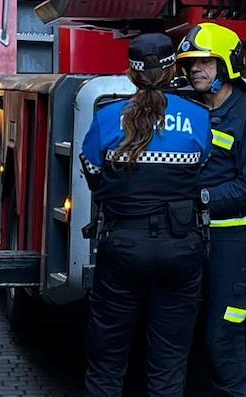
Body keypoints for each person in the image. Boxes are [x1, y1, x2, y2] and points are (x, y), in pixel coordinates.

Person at [81, 33, 212, 397]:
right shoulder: (198, 118)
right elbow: (200, 169)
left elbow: (93, 173)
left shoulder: (107, 118)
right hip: (181, 248)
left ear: (131, 73)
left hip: (122, 246)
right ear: (173, 71)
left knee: (106, 357)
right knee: (169, 359)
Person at [175, 23, 246, 397]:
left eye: (206, 62)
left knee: (222, 333)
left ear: (227, 65)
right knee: (177, 330)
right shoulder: (188, 110)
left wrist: (199, 199)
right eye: (191, 63)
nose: (196, 70)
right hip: (187, 236)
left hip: (228, 241)